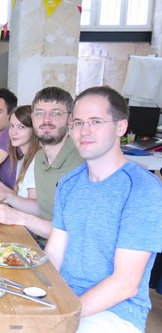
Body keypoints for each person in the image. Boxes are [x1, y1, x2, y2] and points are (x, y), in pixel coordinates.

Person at [46, 86, 161, 333]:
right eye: (77, 123)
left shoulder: (143, 189)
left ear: (121, 127)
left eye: (95, 121)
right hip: (64, 301)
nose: (84, 131)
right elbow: (54, 256)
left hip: (115, 313)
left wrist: (62, 316)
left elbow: (125, 284)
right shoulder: (68, 183)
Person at [0, 87, 83, 241]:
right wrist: (6, 197)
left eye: (56, 113)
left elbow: (73, 234)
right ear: (33, 118)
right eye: (40, 113)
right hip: (37, 243)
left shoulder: (82, 164)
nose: (46, 120)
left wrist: (20, 217)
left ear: (70, 119)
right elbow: (41, 207)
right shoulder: (41, 156)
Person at [0, 105, 40, 202]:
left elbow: (32, 206)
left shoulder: (38, 160)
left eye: (21, 127)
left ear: (35, 130)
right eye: (11, 126)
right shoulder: (21, 157)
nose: (13, 132)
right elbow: (17, 196)